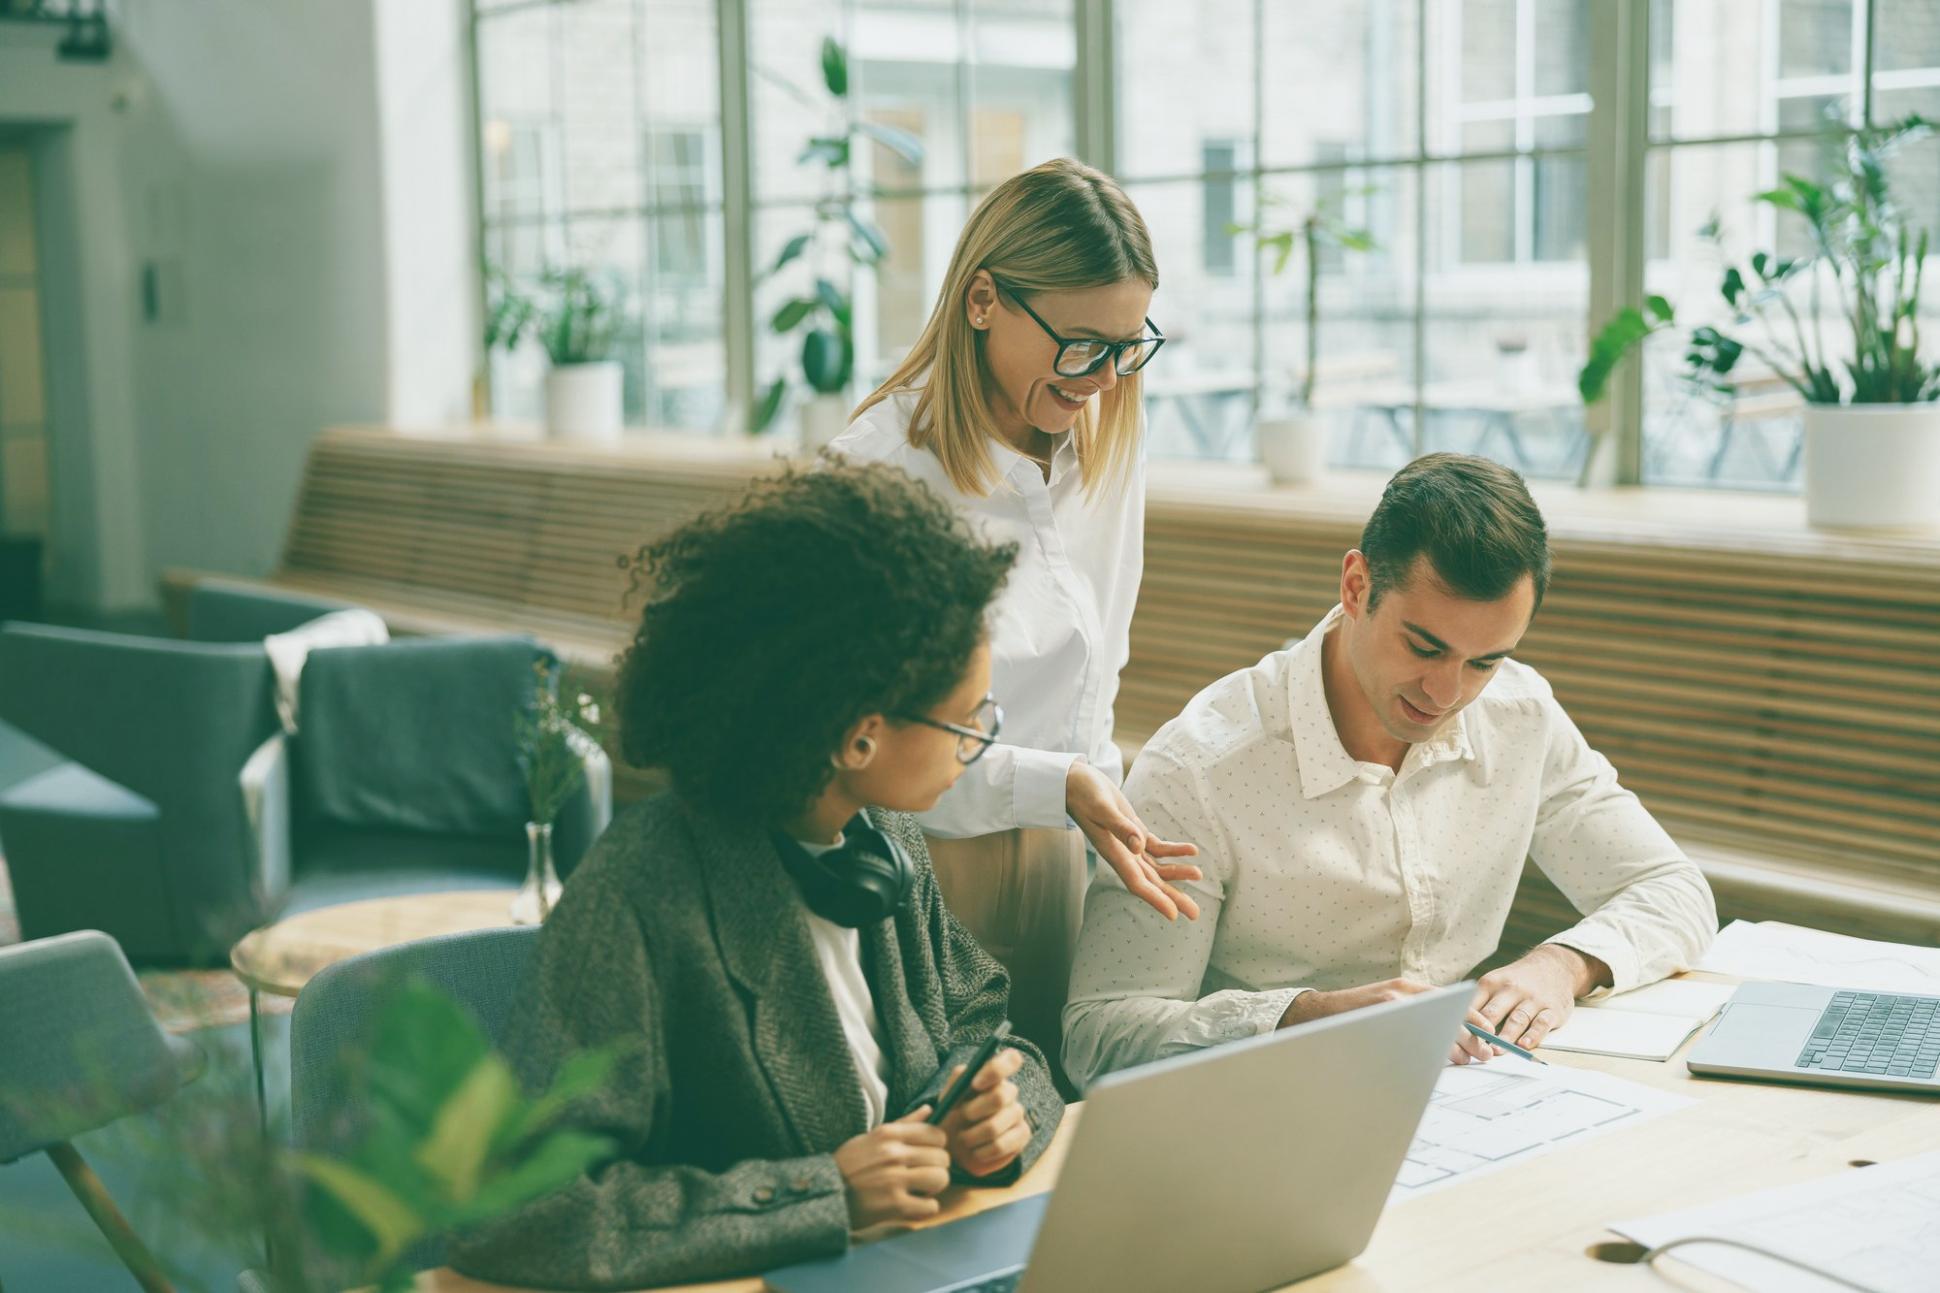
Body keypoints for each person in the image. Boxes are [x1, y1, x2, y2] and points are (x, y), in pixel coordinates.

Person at [450, 463, 1062, 1289]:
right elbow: (515, 1213)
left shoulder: (885, 839)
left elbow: (989, 1027)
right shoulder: (641, 891)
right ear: (858, 739)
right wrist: (821, 1193)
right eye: (965, 721)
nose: (978, 743)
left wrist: (1001, 1112)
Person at [1061, 453, 1718, 1089]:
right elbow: (1099, 1039)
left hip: (1462, 1096)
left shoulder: (1520, 717)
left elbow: (1673, 889)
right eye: (1424, 647)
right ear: (1356, 586)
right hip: (1268, 1104)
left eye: (1484, 662)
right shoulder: (1199, 770)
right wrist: (1306, 1018)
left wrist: (1564, 964)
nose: (1447, 692)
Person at [831, 158, 1201, 1081]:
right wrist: (1057, 784)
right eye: (1081, 345)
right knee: (950, 1119)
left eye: (1127, 347)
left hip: (1073, 849)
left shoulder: (1105, 434)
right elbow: (863, 749)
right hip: (925, 863)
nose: (1103, 379)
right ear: (983, 300)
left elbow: (1100, 665)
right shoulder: (877, 473)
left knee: (1056, 1110)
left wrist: (1092, 807)